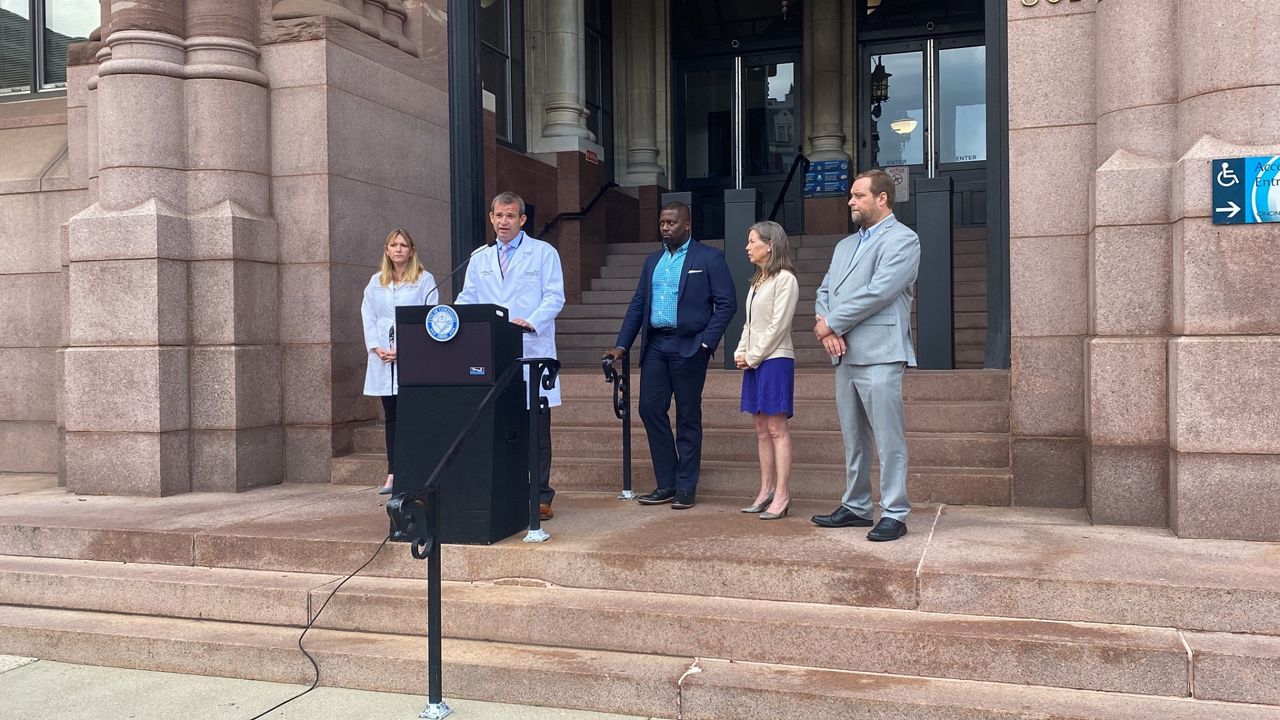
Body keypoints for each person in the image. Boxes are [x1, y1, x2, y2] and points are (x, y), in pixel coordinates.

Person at [810, 169, 921, 541]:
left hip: (880, 352)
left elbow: (880, 291)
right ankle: (857, 506)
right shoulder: (844, 245)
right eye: (851, 196)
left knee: (889, 438)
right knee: (853, 438)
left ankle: (895, 511)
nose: (850, 202)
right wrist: (827, 327)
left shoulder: (904, 240)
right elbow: (825, 291)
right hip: (844, 353)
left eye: (858, 196)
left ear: (882, 198)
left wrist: (832, 324)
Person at [603, 201, 736, 510]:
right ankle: (667, 483)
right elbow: (638, 304)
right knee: (649, 409)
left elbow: (726, 303)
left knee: (688, 416)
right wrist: (622, 345)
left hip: (689, 346)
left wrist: (707, 343)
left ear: (686, 225)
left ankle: (686, 487)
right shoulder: (652, 262)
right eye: (662, 222)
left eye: (672, 223)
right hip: (656, 347)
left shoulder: (709, 258)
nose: (665, 227)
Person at [456, 191, 565, 521]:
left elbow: (554, 297)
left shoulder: (543, 253)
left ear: (522, 220)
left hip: (533, 350)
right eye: (498, 216)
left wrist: (529, 322)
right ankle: (509, 489)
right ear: (491, 218)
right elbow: (468, 297)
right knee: (503, 426)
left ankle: (541, 495)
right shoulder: (479, 258)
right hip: (495, 353)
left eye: (510, 216)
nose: (503, 222)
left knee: (536, 430)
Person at [362, 228, 439, 495]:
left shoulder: (424, 280)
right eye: (393, 245)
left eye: (403, 245)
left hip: (413, 358)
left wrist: (406, 348)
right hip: (383, 358)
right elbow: (368, 316)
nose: (398, 249)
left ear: (411, 250)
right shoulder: (376, 282)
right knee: (393, 417)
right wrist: (376, 347)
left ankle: (416, 470)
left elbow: (429, 318)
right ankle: (393, 473)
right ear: (386, 250)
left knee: (415, 416)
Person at [733, 220, 798, 520]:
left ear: (770, 244)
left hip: (775, 360)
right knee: (761, 429)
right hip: (757, 360)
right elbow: (750, 323)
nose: (747, 247)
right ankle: (765, 490)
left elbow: (778, 326)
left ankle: (782, 494)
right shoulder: (758, 281)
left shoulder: (785, 280)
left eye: (752, 241)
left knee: (776, 428)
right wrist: (740, 350)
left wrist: (754, 355)